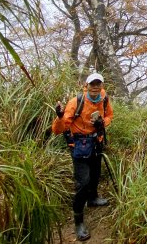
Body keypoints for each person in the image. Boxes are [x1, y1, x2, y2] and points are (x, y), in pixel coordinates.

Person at [52, 72, 114, 241]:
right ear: (86, 86)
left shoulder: (104, 97)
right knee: (83, 183)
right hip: (79, 146)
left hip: (96, 142)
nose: (95, 88)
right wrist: (59, 117)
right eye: (92, 84)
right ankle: (78, 221)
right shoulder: (76, 102)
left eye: (98, 84)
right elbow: (58, 129)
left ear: (101, 86)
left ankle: (93, 198)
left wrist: (103, 122)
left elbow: (109, 115)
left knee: (95, 175)